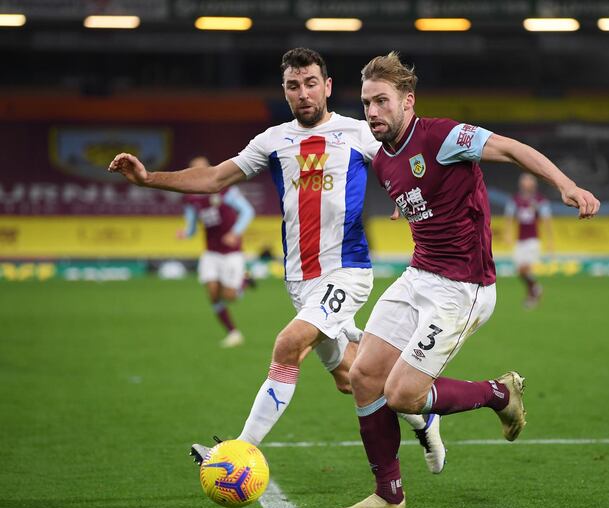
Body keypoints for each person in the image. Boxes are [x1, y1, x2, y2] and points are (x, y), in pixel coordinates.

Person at [107, 48, 446, 474]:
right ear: (284, 92)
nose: (302, 93)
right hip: (300, 281)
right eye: (292, 86)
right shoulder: (271, 141)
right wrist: (148, 178)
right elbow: (214, 178)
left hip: (347, 271)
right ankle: (423, 416)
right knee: (351, 376)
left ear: (327, 87)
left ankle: (236, 453)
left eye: (310, 84)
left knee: (287, 345)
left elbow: (399, 163)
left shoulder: (357, 132)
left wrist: (401, 196)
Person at [331, 52, 600, 508]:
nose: (372, 111)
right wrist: (404, 205)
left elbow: (513, 149)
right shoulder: (383, 161)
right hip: (418, 276)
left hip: (462, 287)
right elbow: (411, 190)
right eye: (366, 103)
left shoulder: (444, 136)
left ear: (407, 101)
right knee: (362, 376)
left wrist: (565, 184)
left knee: (402, 395)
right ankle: (388, 494)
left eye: (381, 101)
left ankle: (500, 393)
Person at [178, 155, 255, 347]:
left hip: (231, 252)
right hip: (211, 253)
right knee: (212, 292)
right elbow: (192, 226)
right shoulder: (190, 198)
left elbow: (247, 211)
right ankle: (233, 333)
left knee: (229, 296)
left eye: (203, 168)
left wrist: (235, 233)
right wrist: (186, 233)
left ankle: (244, 281)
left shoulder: (224, 190)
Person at [504, 172, 554, 308]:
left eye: (529, 181)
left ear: (533, 184)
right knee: (520, 271)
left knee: (525, 269)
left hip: (533, 240)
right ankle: (535, 288)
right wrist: (507, 233)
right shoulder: (515, 200)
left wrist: (550, 241)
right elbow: (509, 218)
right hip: (520, 240)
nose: (526, 184)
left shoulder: (540, 200)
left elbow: (547, 221)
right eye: (524, 181)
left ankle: (532, 293)